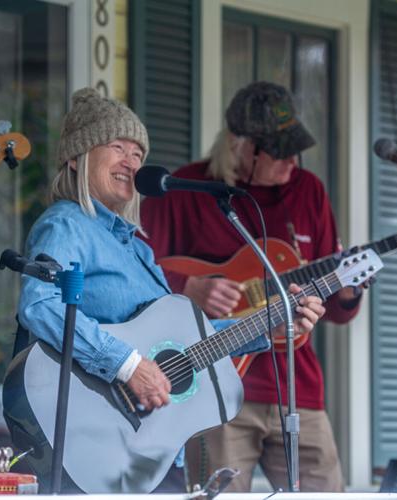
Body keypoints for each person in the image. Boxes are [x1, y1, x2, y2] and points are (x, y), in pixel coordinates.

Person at [16, 87, 325, 492]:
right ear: (77, 158)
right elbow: (39, 305)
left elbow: (186, 343)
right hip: (92, 433)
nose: (132, 162)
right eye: (118, 147)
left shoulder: (138, 248)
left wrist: (267, 331)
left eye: (139, 154)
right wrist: (128, 366)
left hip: (151, 448)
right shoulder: (67, 224)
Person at [141, 81, 363, 492]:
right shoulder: (184, 190)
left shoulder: (309, 190)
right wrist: (189, 287)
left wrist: (349, 291)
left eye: (295, 148)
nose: (292, 161)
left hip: (297, 386)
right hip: (215, 388)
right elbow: (138, 272)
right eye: (280, 151)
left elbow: (336, 310)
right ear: (241, 146)